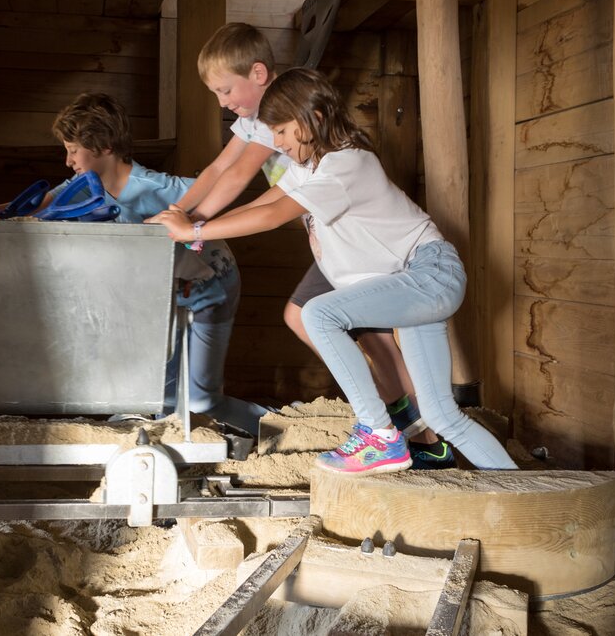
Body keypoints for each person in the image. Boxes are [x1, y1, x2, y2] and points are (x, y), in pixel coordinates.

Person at [150, 68, 517, 474]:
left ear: (316, 118)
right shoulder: (310, 167)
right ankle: (524, 492)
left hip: (429, 273)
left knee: (318, 313)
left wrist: (196, 228)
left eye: (284, 132)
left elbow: (272, 216)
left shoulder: (347, 164)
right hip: (411, 283)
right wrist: (195, 230)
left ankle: (378, 433)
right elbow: (262, 203)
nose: (277, 143)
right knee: (444, 416)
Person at [0, 93, 268, 435]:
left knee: (200, 400)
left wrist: (192, 233)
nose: (68, 161)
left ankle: (278, 425)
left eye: (73, 150)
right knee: (157, 395)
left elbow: (220, 197)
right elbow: (34, 206)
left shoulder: (161, 188)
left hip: (209, 290)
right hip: (160, 300)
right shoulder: (80, 189)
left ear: (104, 146)